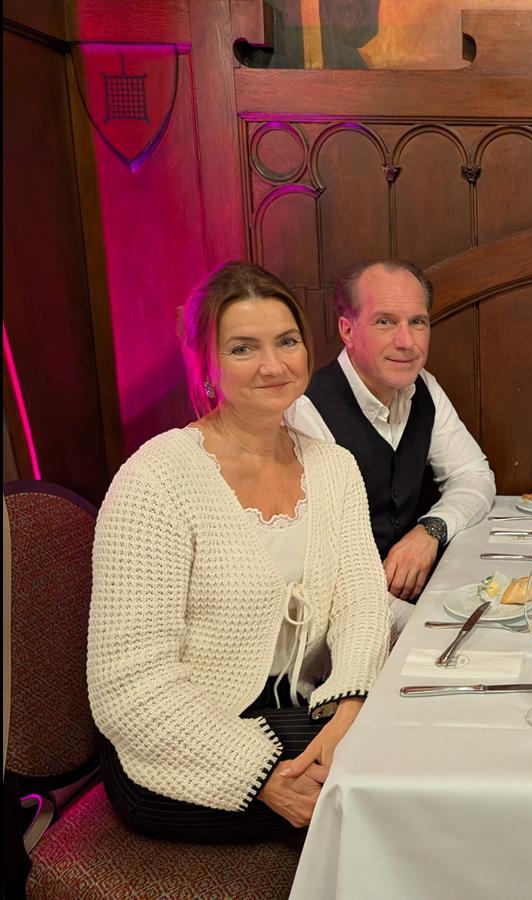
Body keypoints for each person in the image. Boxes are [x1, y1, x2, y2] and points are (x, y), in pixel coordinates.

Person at [88, 261, 392, 840]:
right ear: (206, 364)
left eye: (287, 341)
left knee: (406, 753)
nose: (273, 365)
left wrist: (350, 706)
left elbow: (361, 602)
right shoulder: (156, 479)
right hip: (173, 748)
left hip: (297, 713)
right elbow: (129, 687)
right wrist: (260, 776)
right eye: (243, 348)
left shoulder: (334, 466)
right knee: (396, 791)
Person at [287, 260, 495, 605]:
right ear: (347, 331)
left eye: (418, 322)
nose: (406, 342)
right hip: (348, 608)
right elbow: (322, 568)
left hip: (419, 595)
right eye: (385, 322)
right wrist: (417, 624)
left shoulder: (424, 386)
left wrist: (431, 530)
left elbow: (473, 475)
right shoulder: (306, 412)